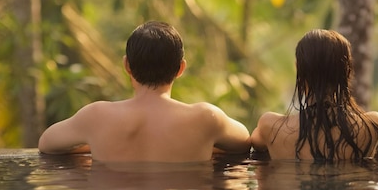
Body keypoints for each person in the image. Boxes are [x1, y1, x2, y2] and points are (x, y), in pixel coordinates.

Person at [38, 21, 251, 162]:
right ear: (181, 69)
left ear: (127, 66)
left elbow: (47, 144)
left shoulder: (96, 116)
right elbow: (243, 143)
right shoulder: (207, 118)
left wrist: (91, 146)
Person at [250, 29, 378, 161]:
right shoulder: (373, 125)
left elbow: (251, 144)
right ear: (347, 71)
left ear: (300, 71)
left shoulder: (270, 127)